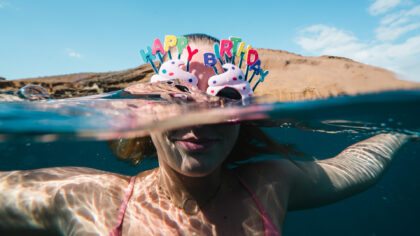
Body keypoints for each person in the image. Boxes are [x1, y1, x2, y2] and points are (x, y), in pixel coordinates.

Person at [0, 34, 415, 236]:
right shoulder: (90, 198)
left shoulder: (271, 184)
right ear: (147, 106)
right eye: (177, 95)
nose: (199, 118)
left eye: (224, 98)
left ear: (243, 114)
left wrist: (404, 131)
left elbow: (355, 165)